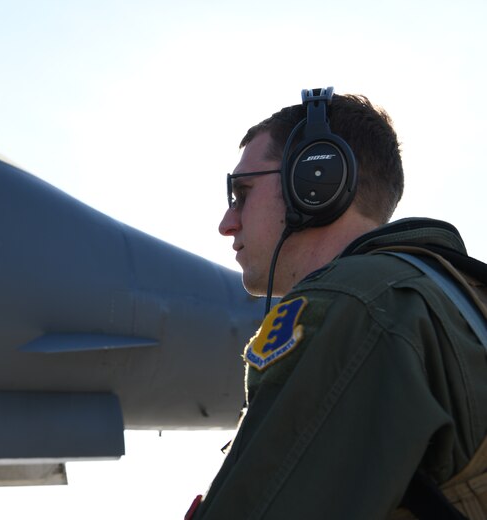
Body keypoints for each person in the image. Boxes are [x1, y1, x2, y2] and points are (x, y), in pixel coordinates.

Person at [187, 88, 487, 519]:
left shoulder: (352, 306)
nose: (226, 222)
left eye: (244, 193)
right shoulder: (452, 299)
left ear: (314, 183)